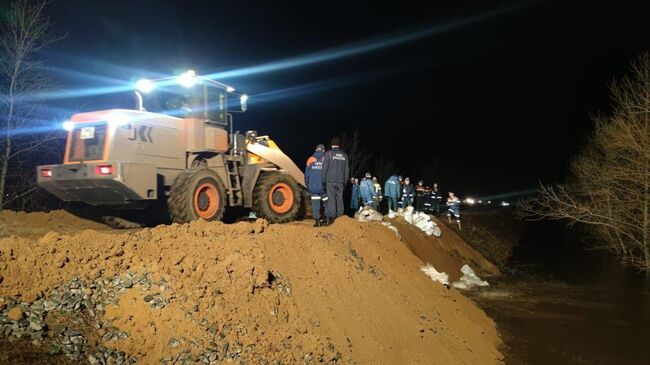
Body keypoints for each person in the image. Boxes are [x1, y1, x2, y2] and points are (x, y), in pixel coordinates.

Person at [322, 137, 350, 225]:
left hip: (330, 180)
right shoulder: (344, 155)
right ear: (339, 145)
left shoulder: (328, 154)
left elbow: (324, 168)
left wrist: (323, 180)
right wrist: (345, 182)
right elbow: (347, 170)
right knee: (339, 198)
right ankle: (340, 216)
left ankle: (332, 217)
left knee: (331, 199)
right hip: (341, 181)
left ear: (331, 145)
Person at [305, 144, 328, 226]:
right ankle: (327, 219)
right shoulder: (326, 159)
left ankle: (317, 221)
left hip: (313, 186)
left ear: (316, 149)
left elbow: (307, 174)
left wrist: (307, 184)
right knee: (326, 202)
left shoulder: (310, 159)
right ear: (323, 150)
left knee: (315, 203)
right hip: (324, 186)